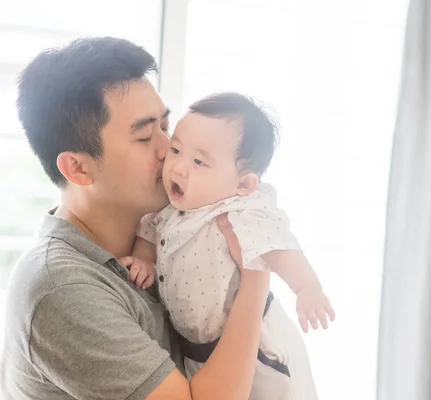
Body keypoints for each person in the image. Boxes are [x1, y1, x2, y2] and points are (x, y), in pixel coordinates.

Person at [0, 37, 270, 399]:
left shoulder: (169, 230)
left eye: (166, 126)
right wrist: (257, 274)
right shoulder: (63, 289)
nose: (170, 149)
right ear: (78, 168)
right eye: (145, 137)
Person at [122, 93, 335, 399]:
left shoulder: (239, 212)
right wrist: (144, 262)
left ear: (243, 184)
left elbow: (280, 247)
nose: (179, 168)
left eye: (199, 161)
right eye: (177, 150)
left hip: (260, 346)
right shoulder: (165, 211)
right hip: (199, 352)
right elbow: (148, 236)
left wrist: (307, 288)